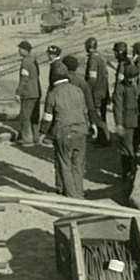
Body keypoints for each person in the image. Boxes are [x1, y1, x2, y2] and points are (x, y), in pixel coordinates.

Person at [39, 70, 89, 198]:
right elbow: (84, 111)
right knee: (78, 164)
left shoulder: (53, 93)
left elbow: (48, 117)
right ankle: (79, 192)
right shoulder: (78, 90)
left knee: (65, 164)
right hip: (82, 130)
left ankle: (72, 196)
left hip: (64, 131)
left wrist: (43, 132)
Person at [113, 64, 140, 184]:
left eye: (133, 78)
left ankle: (136, 175)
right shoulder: (120, 87)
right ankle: (126, 174)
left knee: (138, 148)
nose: (131, 80)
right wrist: (119, 124)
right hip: (127, 123)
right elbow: (117, 106)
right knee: (126, 149)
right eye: (129, 78)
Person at [62, 55, 98, 140]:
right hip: (79, 120)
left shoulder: (59, 80)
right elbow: (90, 104)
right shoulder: (82, 83)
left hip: (63, 120)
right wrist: (93, 122)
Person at [84, 37, 110, 146]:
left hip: (96, 92)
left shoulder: (93, 59)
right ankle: (102, 138)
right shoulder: (100, 57)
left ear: (88, 46)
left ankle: (103, 139)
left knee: (97, 116)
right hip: (103, 91)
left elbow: (92, 77)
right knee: (102, 115)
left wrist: (87, 89)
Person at [15, 41, 41, 147]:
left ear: (25, 50)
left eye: (20, 49)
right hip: (36, 91)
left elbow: (24, 78)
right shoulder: (33, 60)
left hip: (28, 93)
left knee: (25, 116)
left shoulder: (25, 62)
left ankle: (27, 139)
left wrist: (18, 92)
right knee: (34, 116)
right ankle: (36, 137)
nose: (18, 51)